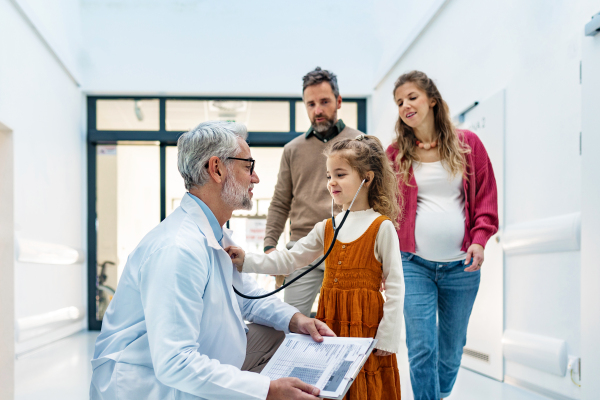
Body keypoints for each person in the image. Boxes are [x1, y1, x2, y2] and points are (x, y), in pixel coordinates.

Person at [90, 121, 335, 400]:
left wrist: (296, 320)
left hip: (196, 360)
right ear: (216, 169)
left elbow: (246, 294)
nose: (255, 178)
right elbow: (175, 363)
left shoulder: (217, 233)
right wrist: (267, 391)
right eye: (248, 167)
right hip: (149, 384)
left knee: (279, 333)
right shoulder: (177, 250)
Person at [228, 135, 404, 400]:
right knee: (332, 384)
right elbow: (289, 259)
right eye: (328, 175)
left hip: (367, 325)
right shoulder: (326, 227)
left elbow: (395, 286)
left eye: (340, 174)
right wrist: (248, 261)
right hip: (331, 322)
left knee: (366, 385)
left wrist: (388, 336)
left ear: (367, 178)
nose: (331, 182)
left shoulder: (382, 227)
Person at [386, 70, 498, 400]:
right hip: (412, 264)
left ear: (432, 99)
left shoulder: (468, 145)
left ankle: (436, 395)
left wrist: (479, 240)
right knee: (422, 348)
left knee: (450, 352)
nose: (405, 105)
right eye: (399, 102)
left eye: (412, 97)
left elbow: (486, 197)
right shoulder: (395, 154)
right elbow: (387, 211)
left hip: (460, 268)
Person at [264, 67, 364, 316]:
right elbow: (280, 201)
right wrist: (269, 247)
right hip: (302, 249)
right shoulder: (292, 149)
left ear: (339, 102)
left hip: (348, 247)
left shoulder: (361, 143)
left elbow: (377, 197)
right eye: (311, 104)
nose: (317, 110)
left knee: (348, 326)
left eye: (324, 102)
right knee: (290, 323)